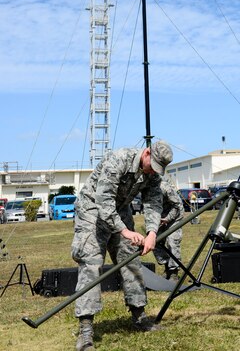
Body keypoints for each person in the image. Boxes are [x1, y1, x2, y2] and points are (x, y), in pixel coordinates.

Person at [71, 140, 173, 351]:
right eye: (152, 166)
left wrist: (152, 233)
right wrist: (125, 231)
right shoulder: (118, 160)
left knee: (130, 259)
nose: (153, 173)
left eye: (157, 170)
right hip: (93, 210)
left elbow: (153, 202)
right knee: (91, 263)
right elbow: (104, 200)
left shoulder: (154, 173)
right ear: (146, 153)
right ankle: (86, 330)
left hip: (121, 209)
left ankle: (139, 316)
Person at [153, 176, 184, 280]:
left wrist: (168, 218)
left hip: (175, 215)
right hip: (160, 215)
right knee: (155, 241)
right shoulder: (146, 188)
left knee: (172, 241)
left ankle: (173, 272)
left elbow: (177, 205)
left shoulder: (164, 187)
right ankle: (167, 266)